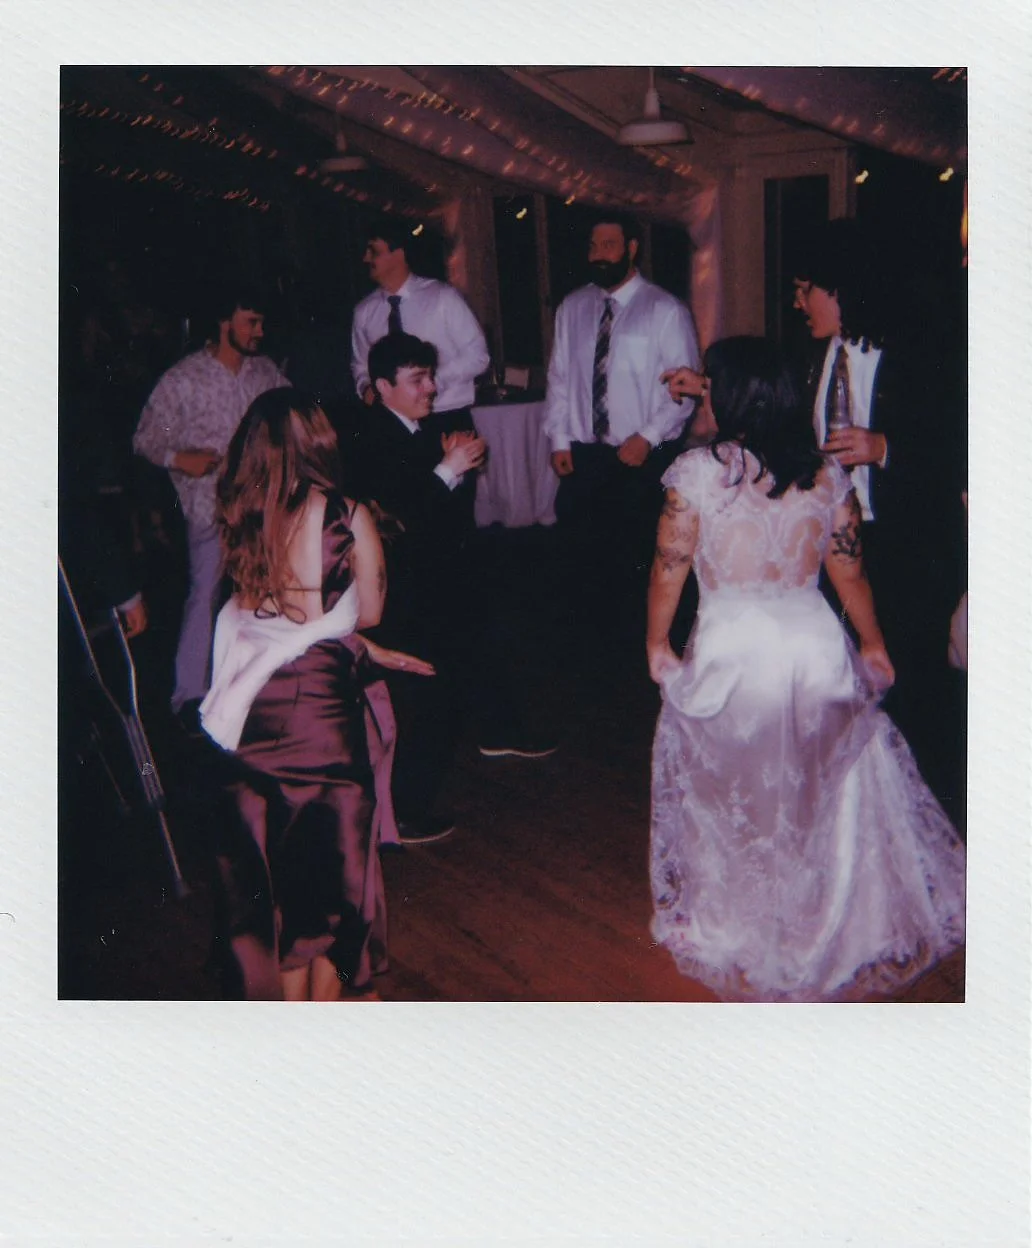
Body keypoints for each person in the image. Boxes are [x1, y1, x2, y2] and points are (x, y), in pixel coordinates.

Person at [646, 337, 965, 1002]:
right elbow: (849, 569)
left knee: (734, 792)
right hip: (813, 644)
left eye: (713, 383)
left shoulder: (697, 473)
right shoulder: (824, 474)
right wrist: (872, 642)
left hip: (735, 652)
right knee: (823, 792)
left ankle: (738, 920)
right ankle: (831, 920)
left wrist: (657, 642)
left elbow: (670, 566)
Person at [199, 388, 432, 1001]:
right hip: (318, 717)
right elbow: (369, 612)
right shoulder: (346, 515)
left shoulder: (241, 514)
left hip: (251, 715)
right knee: (334, 889)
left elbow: (262, 617)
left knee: (277, 891)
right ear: (319, 441)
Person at [351, 333, 554, 846]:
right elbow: (400, 521)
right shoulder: (371, 439)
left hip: (441, 578)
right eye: (417, 379)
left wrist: (455, 469)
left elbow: (438, 511)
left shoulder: (418, 430)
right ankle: (400, 812)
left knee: (482, 644)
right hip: (405, 594)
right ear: (382, 387)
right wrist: (448, 469)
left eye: (430, 376)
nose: (432, 388)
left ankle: (499, 730)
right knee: (432, 695)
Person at [790, 217, 964, 804]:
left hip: (906, 550)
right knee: (843, 691)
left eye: (806, 289)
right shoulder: (812, 356)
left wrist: (885, 447)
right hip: (836, 550)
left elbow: (961, 449)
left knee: (911, 691)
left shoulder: (920, 353)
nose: (798, 303)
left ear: (842, 289)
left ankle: (925, 813)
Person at [132, 280, 288, 726]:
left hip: (262, 505)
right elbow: (146, 437)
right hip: (210, 508)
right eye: (250, 322)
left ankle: (265, 687)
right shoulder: (184, 379)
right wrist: (180, 457)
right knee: (206, 593)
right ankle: (189, 694)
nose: (259, 331)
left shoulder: (265, 374)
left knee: (269, 591)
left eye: (261, 322)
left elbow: (293, 415)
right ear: (224, 323)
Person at [543, 212, 701, 639]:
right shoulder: (572, 308)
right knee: (582, 558)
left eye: (609, 245)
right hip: (585, 455)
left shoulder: (665, 310)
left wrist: (647, 438)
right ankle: (591, 645)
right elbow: (559, 378)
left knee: (636, 558)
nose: (598, 254)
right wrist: (559, 439)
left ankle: (641, 645)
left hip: (640, 457)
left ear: (632, 248)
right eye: (593, 246)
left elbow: (683, 391)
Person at [350, 216, 490, 442]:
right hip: (391, 426)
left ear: (399, 253)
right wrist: (366, 386)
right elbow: (360, 365)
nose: (365, 258)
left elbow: (478, 357)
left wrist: (428, 383)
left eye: (373, 251)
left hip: (445, 417)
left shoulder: (443, 298)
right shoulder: (364, 312)